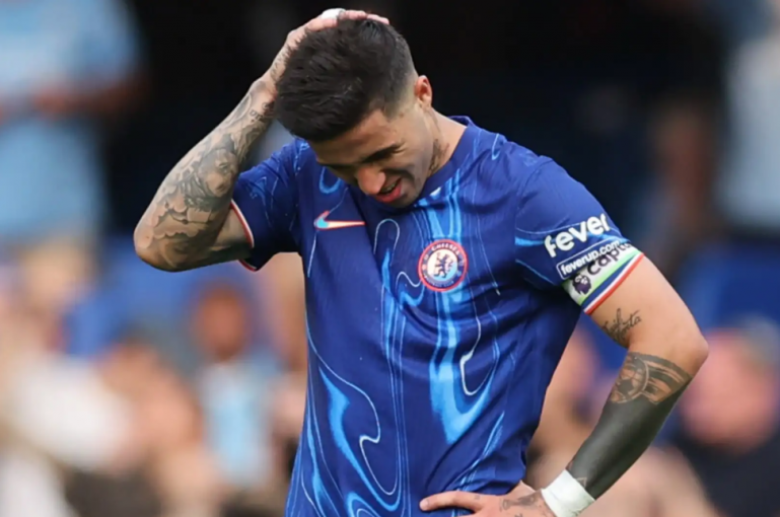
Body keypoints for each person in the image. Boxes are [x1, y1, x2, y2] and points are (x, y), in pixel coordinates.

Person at [134, 10, 709, 517]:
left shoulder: (525, 194)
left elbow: (672, 338)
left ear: (422, 94)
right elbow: (161, 244)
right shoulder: (302, 176)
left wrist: (558, 503)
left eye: (382, 153)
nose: (370, 182)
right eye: (344, 168)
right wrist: (265, 93)